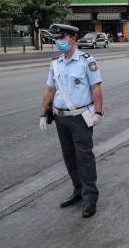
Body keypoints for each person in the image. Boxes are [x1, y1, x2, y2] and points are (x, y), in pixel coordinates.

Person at [39, 24, 103, 218]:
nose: (58, 41)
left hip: (80, 118)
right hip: (61, 118)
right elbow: (50, 90)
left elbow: (96, 88)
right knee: (69, 157)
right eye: (56, 38)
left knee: (84, 158)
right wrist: (43, 114)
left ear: (72, 39)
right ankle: (77, 191)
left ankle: (90, 198)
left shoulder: (86, 61)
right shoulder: (55, 63)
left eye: (62, 38)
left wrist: (98, 112)